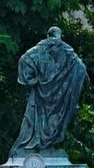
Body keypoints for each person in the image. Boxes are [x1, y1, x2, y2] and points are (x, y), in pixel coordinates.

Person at [11, 26, 87, 155]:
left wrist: (31, 80)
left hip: (39, 95)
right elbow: (81, 68)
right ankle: (45, 146)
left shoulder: (38, 49)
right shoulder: (67, 51)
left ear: (48, 35)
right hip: (59, 98)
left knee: (32, 121)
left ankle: (32, 146)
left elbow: (24, 60)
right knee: (55, 122)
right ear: (59, 35)